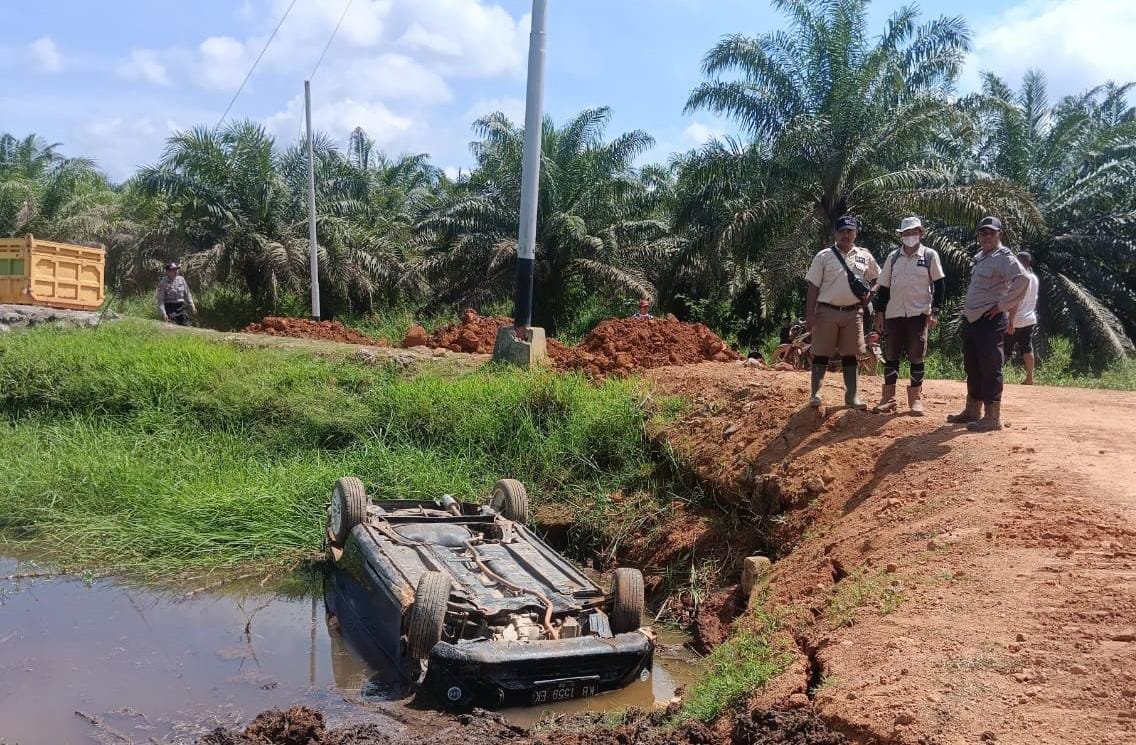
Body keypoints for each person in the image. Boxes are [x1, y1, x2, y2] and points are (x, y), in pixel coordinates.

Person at [947, 217, 1028, 431]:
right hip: (974, 320)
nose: (987, 237)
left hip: (990, 320)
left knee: (991, 367)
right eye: (983, 233)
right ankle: (973, 410)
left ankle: (993, 417)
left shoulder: (1004, 257)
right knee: (972, 365)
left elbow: (1023, 280)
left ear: (999, 234)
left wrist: (1002, 305)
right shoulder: (982, 257)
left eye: (991, 233)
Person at [871, 216, 946, 416]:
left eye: (913, 232)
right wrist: (879, 313)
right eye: (906, 233)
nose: (910, 236)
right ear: (900, 236)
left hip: (918, 314)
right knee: (891, 356)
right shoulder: (893, 258)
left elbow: (939, 285)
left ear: (921, 233)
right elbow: (884, 287)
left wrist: (935, 311)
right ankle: (888, 398)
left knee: (916, 355)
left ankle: (915, 400)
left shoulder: (929, 256)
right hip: (894, 314)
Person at [804, 215, 880, 409]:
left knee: (851, 354)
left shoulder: (865, 255)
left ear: (856, 233)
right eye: (842, 231)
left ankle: (852, 397)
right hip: (826, 311)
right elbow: (813, 286)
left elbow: (878, 278)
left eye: (850, 231)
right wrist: (810, 314)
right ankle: (815, 394)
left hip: (853, 313)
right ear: (835, 233)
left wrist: (870, 294)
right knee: (821, 353)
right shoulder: (823, 256)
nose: (846, 235)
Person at [1006, 251, 1040, 385]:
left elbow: (1016, 301)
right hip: (1029, 318)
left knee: (1004, 349)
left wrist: (1010, 321)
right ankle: (1030, 377)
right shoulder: (1034, 278)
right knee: (1027, 347)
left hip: (1015, 320)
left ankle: (992, 375)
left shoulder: (1018, 278)